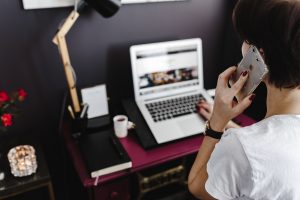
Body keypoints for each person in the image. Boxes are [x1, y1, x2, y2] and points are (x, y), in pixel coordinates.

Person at [188, 0, 300, 199]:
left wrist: (218, 121)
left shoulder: (241, 148)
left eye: (246, 39)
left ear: (260, 54)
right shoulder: (251, 146)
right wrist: (236, 129)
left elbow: (196, 185)